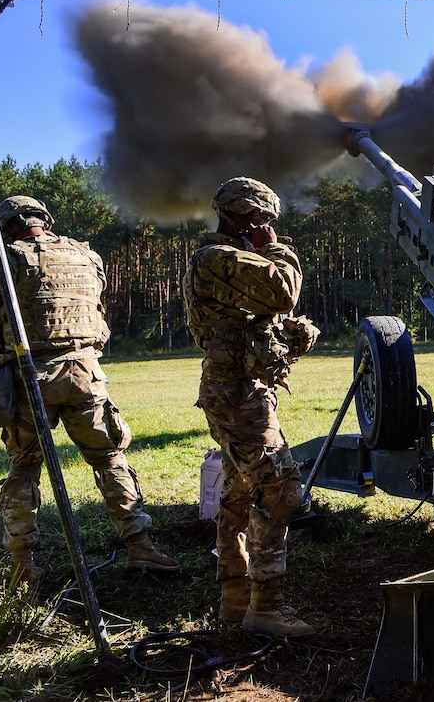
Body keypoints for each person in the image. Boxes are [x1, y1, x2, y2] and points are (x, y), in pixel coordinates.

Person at [0, 195, 179, 585]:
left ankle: (22, 565)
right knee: (110, 459)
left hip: (29, 376)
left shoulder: (8, 259)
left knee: (23, 469)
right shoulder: (86, 255)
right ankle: (141, 546)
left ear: (6, 227)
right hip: (85, 372)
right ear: (45, 221)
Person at [183, 177, 317, 638]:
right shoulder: (218, 257)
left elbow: (259, 317)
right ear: (243, 217)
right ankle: (266, 608)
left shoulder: (227, 260)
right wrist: (276, 251)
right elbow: (283, 291)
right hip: (236, 394)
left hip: (240, 388)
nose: (268, 230)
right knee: (281, 489)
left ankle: (236, 603)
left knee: (240, 492)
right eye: (262, 220)